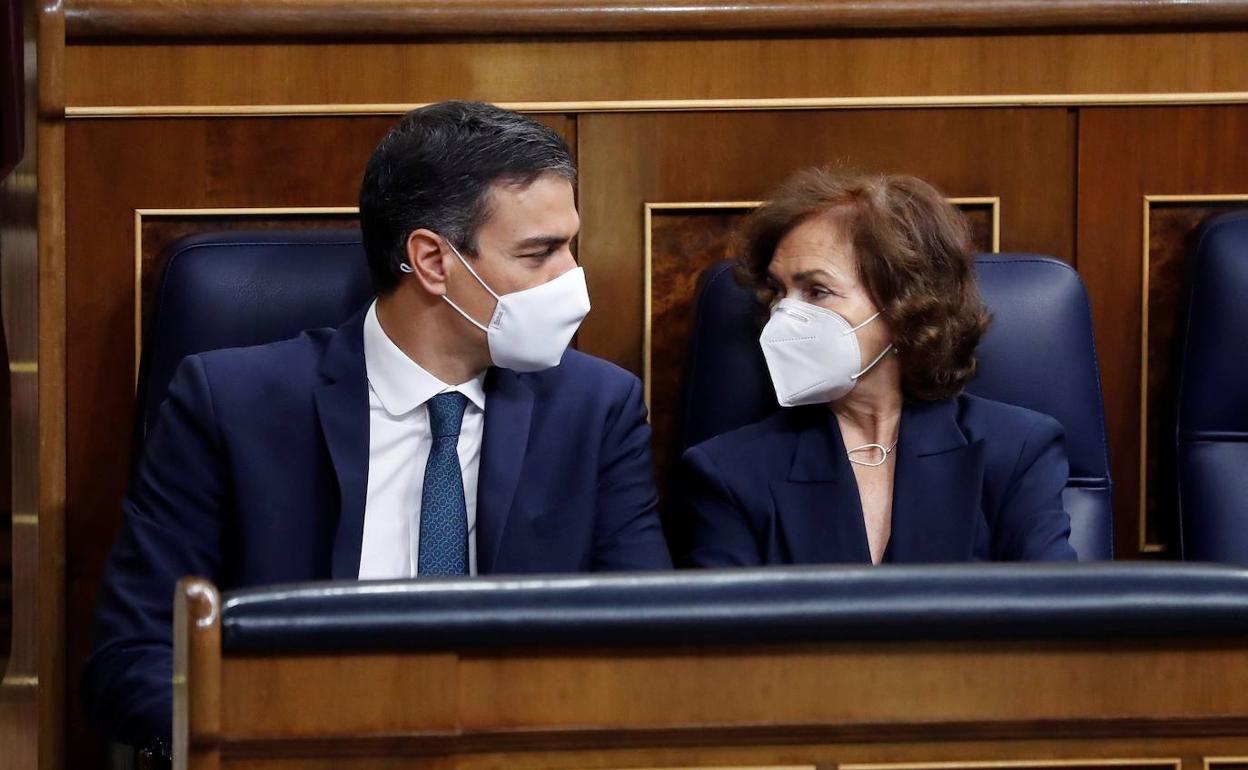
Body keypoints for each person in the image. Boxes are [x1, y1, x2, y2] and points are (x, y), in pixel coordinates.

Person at [82, 100, 672, 748]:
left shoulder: (596, 411)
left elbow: (647, 650)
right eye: (541, 253)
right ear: (432, 262)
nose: (572, 280)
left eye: (570, 246)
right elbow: (132, 659)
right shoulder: (231, 406)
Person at [683, 168, 1077, 567]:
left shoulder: (1017, 450)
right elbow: (729, 628)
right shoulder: (728, 472)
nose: (783, 314)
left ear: (906, 305)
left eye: (817, 291)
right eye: (779, 291)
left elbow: (1054, 617)